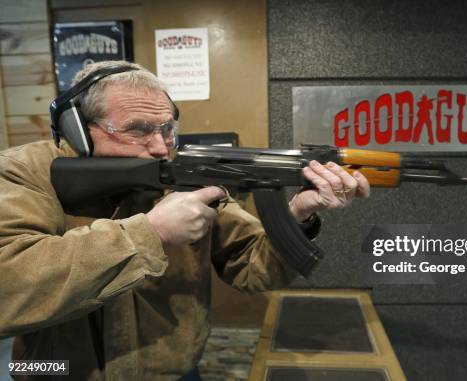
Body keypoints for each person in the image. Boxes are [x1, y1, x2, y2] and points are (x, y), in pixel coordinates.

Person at [0, 61, 370, 380]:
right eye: (139, 129)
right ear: (77, 129)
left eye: (166, 129)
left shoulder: (179, 173)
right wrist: (152, 233)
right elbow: (8, 287)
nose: (160, 147)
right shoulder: (22, 173)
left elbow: (253, 268)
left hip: (174, 372)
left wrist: (297, 215)